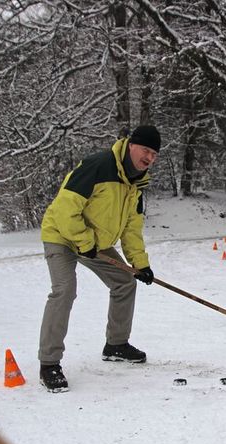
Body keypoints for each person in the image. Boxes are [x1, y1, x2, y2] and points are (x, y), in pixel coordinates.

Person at [37, 125, 161, 392]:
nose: (149, 157)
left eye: (154, 153)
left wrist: (141, 265)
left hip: (94, 242)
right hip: (61, 235)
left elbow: (131, 228)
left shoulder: (137, 184)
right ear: (130, 145)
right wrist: (83, 243)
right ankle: (49, 363)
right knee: (64, 290)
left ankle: (116, 344)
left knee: (125, 282)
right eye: (145, 150)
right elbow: (64, 209)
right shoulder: (98, 165)